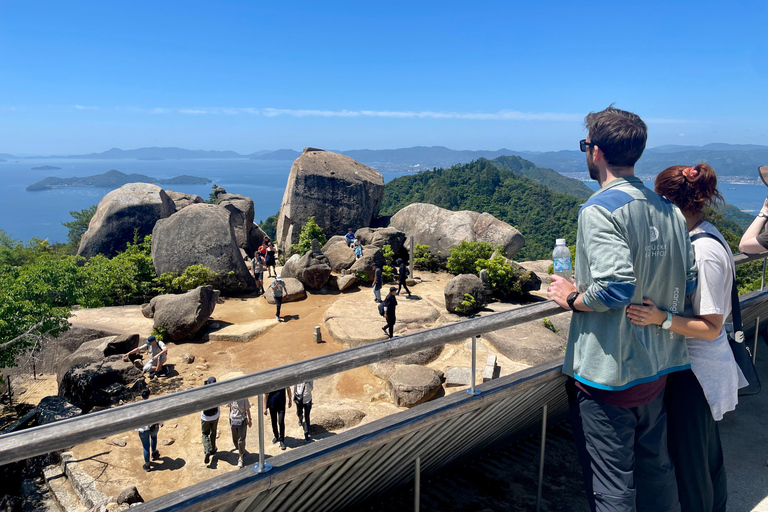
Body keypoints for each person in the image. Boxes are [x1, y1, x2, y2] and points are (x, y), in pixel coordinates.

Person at [546, 106, 697, 512]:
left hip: (610, 376)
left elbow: (615, 286)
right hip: (657, 367)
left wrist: (574, 298)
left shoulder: (599, 209)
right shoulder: (669, 211)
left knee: (613, 487)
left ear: (595, 151)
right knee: (656, 471)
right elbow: (691, 281)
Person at [626, 163, 747, 512]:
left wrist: (660, 318)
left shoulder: (703, 251)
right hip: (696, 370)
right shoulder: (701, 234)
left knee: (692, 466)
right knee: (706, 459)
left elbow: (711, 326)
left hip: (698, 374)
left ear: (667, 202)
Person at [135, 388, 161, 472]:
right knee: (154, 437)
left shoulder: (137, 406)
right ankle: (154, 453)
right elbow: (158, 414)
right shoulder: (153, 404)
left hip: (143, 429)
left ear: (141, 395)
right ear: (149, 395)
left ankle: (147, 465)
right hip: (153, 427)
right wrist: (160, 422)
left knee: (146, 447)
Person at [228, 397, 252, 468]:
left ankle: (240, 457)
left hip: (242, 420)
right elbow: (230, 408)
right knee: (235, 438)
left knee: (241, 439)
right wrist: (230, 417)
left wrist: (250, 419)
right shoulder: (231, 396)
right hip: (233, 420)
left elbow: (247, 409)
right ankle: (241, 450)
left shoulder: (244, 398)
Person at [201, 376, 219, 465]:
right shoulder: (217, 391)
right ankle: (212, 449)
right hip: (215, 415)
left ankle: (207, 450)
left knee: (205, 433)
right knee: (213, 432)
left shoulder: (203, 391)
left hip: (205, 416)